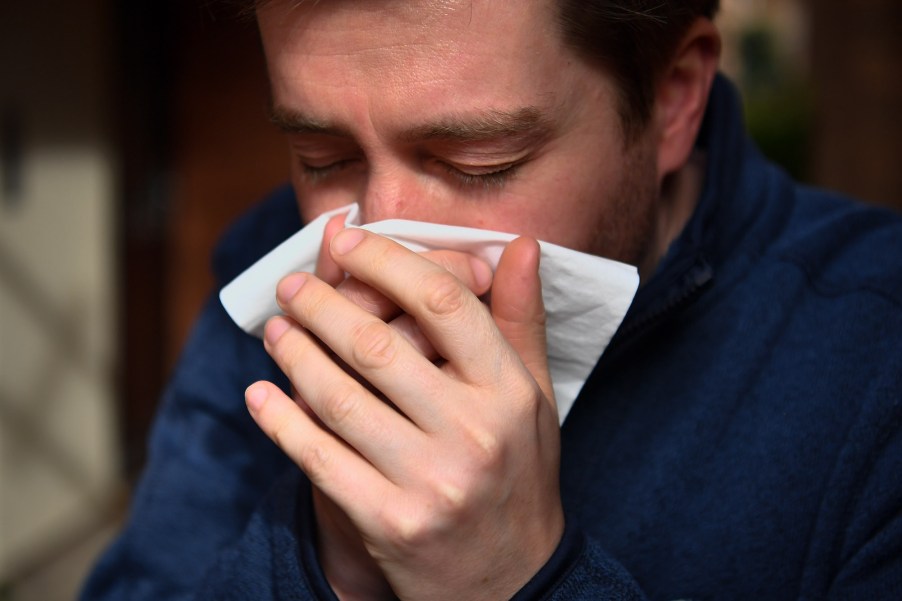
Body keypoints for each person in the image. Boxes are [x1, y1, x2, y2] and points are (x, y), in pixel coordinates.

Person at [82, 0, 902, 599]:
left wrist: (509, 580)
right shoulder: (274, 281)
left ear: (673, 100)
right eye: (322, 157)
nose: (382, 240)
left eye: (480, 163)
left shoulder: (875, 357)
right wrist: (333, 567)